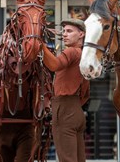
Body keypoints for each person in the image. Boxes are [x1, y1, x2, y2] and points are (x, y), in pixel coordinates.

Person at [41, 18, 90, 162]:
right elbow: (86, 92)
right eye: (63, 31)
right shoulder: (83, 54)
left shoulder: (71, 52)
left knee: (67, 159)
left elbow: (55, 65)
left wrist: (41, 46)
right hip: (76, 109)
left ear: (81, 34)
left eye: (69, 31)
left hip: (64, 109)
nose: (64, 34)